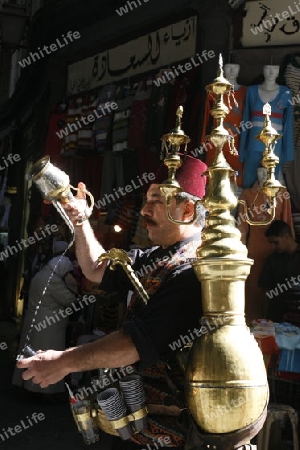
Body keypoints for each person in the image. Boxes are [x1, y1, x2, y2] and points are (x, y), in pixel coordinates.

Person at [17, 156, 208, 449]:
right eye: (147, 199)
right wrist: (80, 221)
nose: (144, 210)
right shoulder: (158, 256)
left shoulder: (192, 271)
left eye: (157, 200)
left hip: (170, 431)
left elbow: (133, 345)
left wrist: (62, 362)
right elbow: (95, 269)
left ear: (188, 208)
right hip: (136, 421)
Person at [12, 240, 78, 396]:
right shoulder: (53, 280)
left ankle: (27, 385)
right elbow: (69, 299)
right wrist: (73, 285)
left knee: (32, 352)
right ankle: (43, 390)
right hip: (49, 325)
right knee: (46, 356)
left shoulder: (41, 274)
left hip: (36, 320)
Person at [236, 168, 294, 323]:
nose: (263, 175)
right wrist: (239, 252)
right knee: (253, 292)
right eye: (260, 172)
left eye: (266, 172)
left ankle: (275, 327)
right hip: (254, 251)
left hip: (277, 251)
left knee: (277, 292)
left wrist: (291, 250)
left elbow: (286, 223)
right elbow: (242, 227)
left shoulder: (281, 194)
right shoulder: (247, 194)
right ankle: (251, 326)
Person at [239, 65, 294, 188]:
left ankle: (271, 207)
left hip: (275, 146)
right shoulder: (251, 91)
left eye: (275, 69)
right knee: (249, 183)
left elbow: (288, 124)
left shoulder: (286, 93)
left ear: (279, 71)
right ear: (263, 70)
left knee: (272, 184)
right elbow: (245, 119)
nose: (271, 72)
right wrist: (242, 148)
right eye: (268, 68)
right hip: (253, 144)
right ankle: (248, 207)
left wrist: (287, 151)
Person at [200, 63, 246, 187]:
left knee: (235, 172)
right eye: (228, 67)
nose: (231, 70)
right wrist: (203, 138)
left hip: (236, 139)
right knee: (214, 167)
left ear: (240, 69)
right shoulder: (213, 91)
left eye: (235, 67)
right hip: (215, 138)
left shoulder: (245, 92)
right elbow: (206, 117)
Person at [258, 220, 300, 322]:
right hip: (278, 318)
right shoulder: (273, 260)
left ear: (286, 237)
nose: (273, 247)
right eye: (271, 243)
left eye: (276, 242)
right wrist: (265, 320)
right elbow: (266, 291)